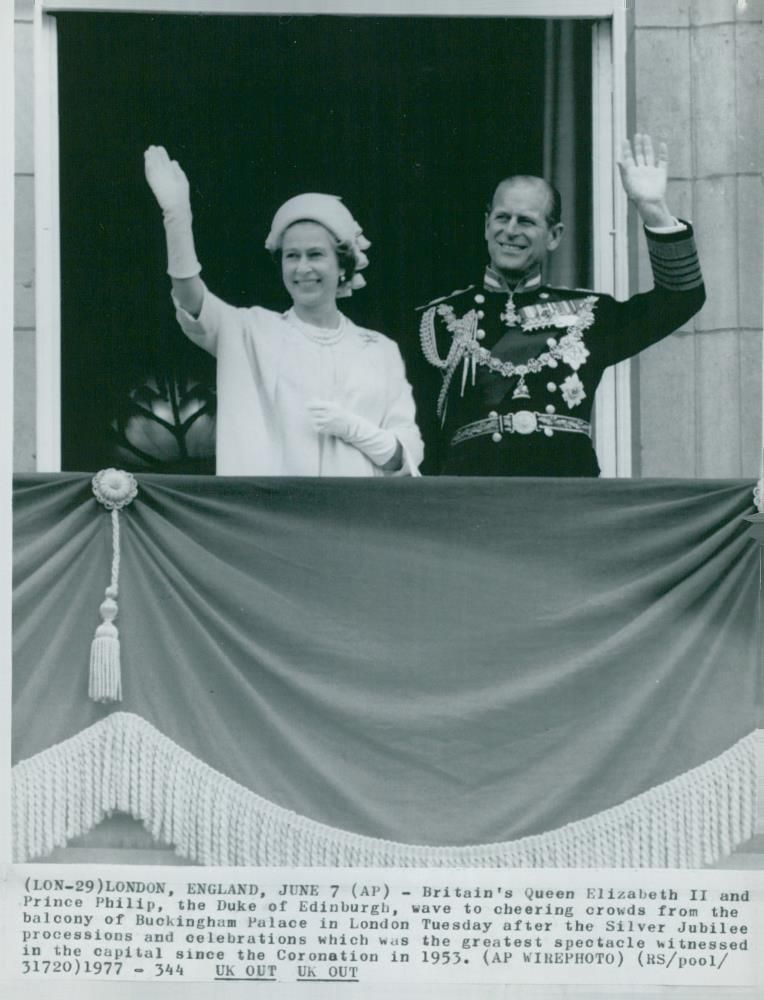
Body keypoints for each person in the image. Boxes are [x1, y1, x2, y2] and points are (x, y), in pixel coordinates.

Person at [418, 134, 705, 476]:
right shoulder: (438, 320)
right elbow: (419, 434)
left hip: (568, 495)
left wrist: (652, 208)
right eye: (501, 218)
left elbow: (680, 298)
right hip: (471, 498)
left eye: (526, 221)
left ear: (554, 235)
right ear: (486, 225)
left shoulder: (588, 314)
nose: (510, 231)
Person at [144, 146, 423, 477]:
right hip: (273, 519)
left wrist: (354, 429)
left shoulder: (380, 351)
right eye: (292, 256)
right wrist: (177, 218)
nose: (302, 268)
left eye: (315, 254)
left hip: (356, 520)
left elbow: (404, 458)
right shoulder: (250, 331)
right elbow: (191, 297)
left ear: (343, 266)